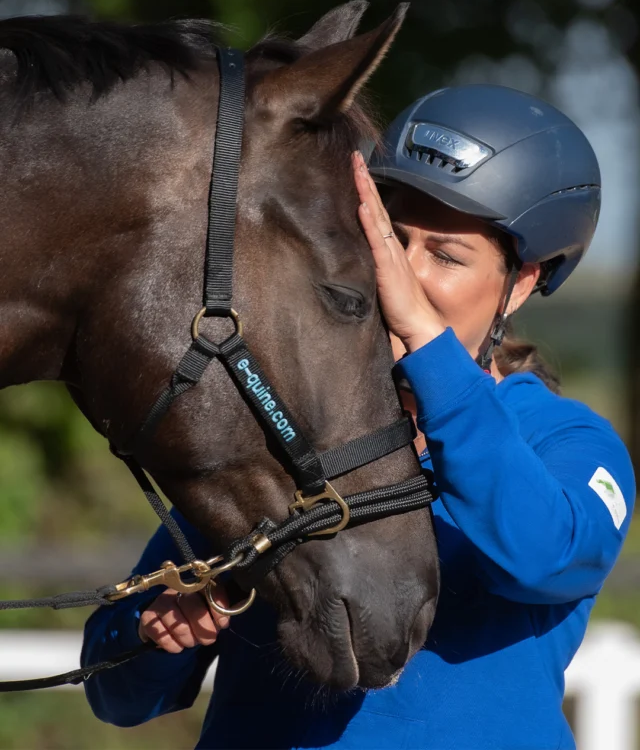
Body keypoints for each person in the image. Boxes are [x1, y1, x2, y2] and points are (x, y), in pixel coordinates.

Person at [82, 84, 635, 750]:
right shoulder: (280, 434)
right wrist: (156, 631)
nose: (399, 274)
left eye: (447, 256)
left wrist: (431, 355)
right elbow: (114, 693)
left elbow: (543, 558)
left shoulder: (570, 442)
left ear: (519, 284)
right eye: (390, 240)